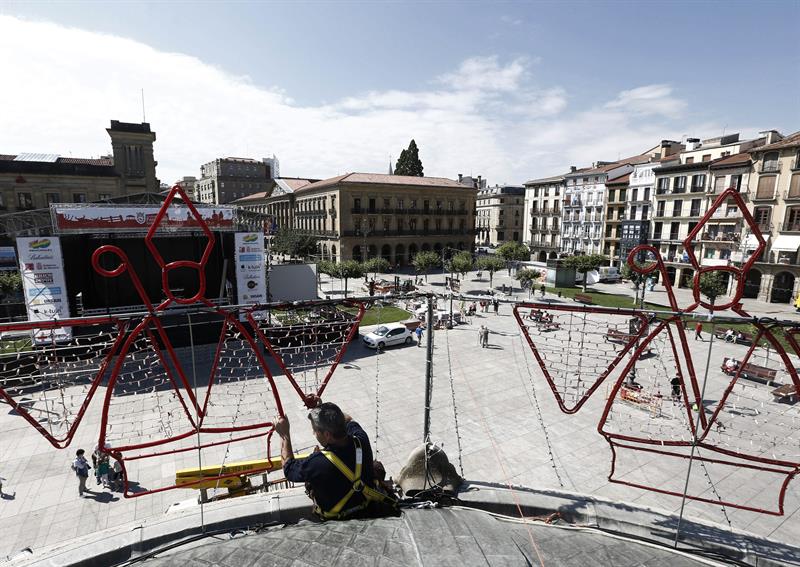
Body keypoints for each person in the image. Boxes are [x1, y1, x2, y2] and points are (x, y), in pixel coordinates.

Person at [275, 399, 396, 520]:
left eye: (315, 430)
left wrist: (284, 434)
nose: (314, 433)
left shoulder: (317, 463)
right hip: (368, 508)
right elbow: (348, 419)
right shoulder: (361, 439)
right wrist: (322, 408)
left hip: (338, 520)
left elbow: (289, 468)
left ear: (327, 435)